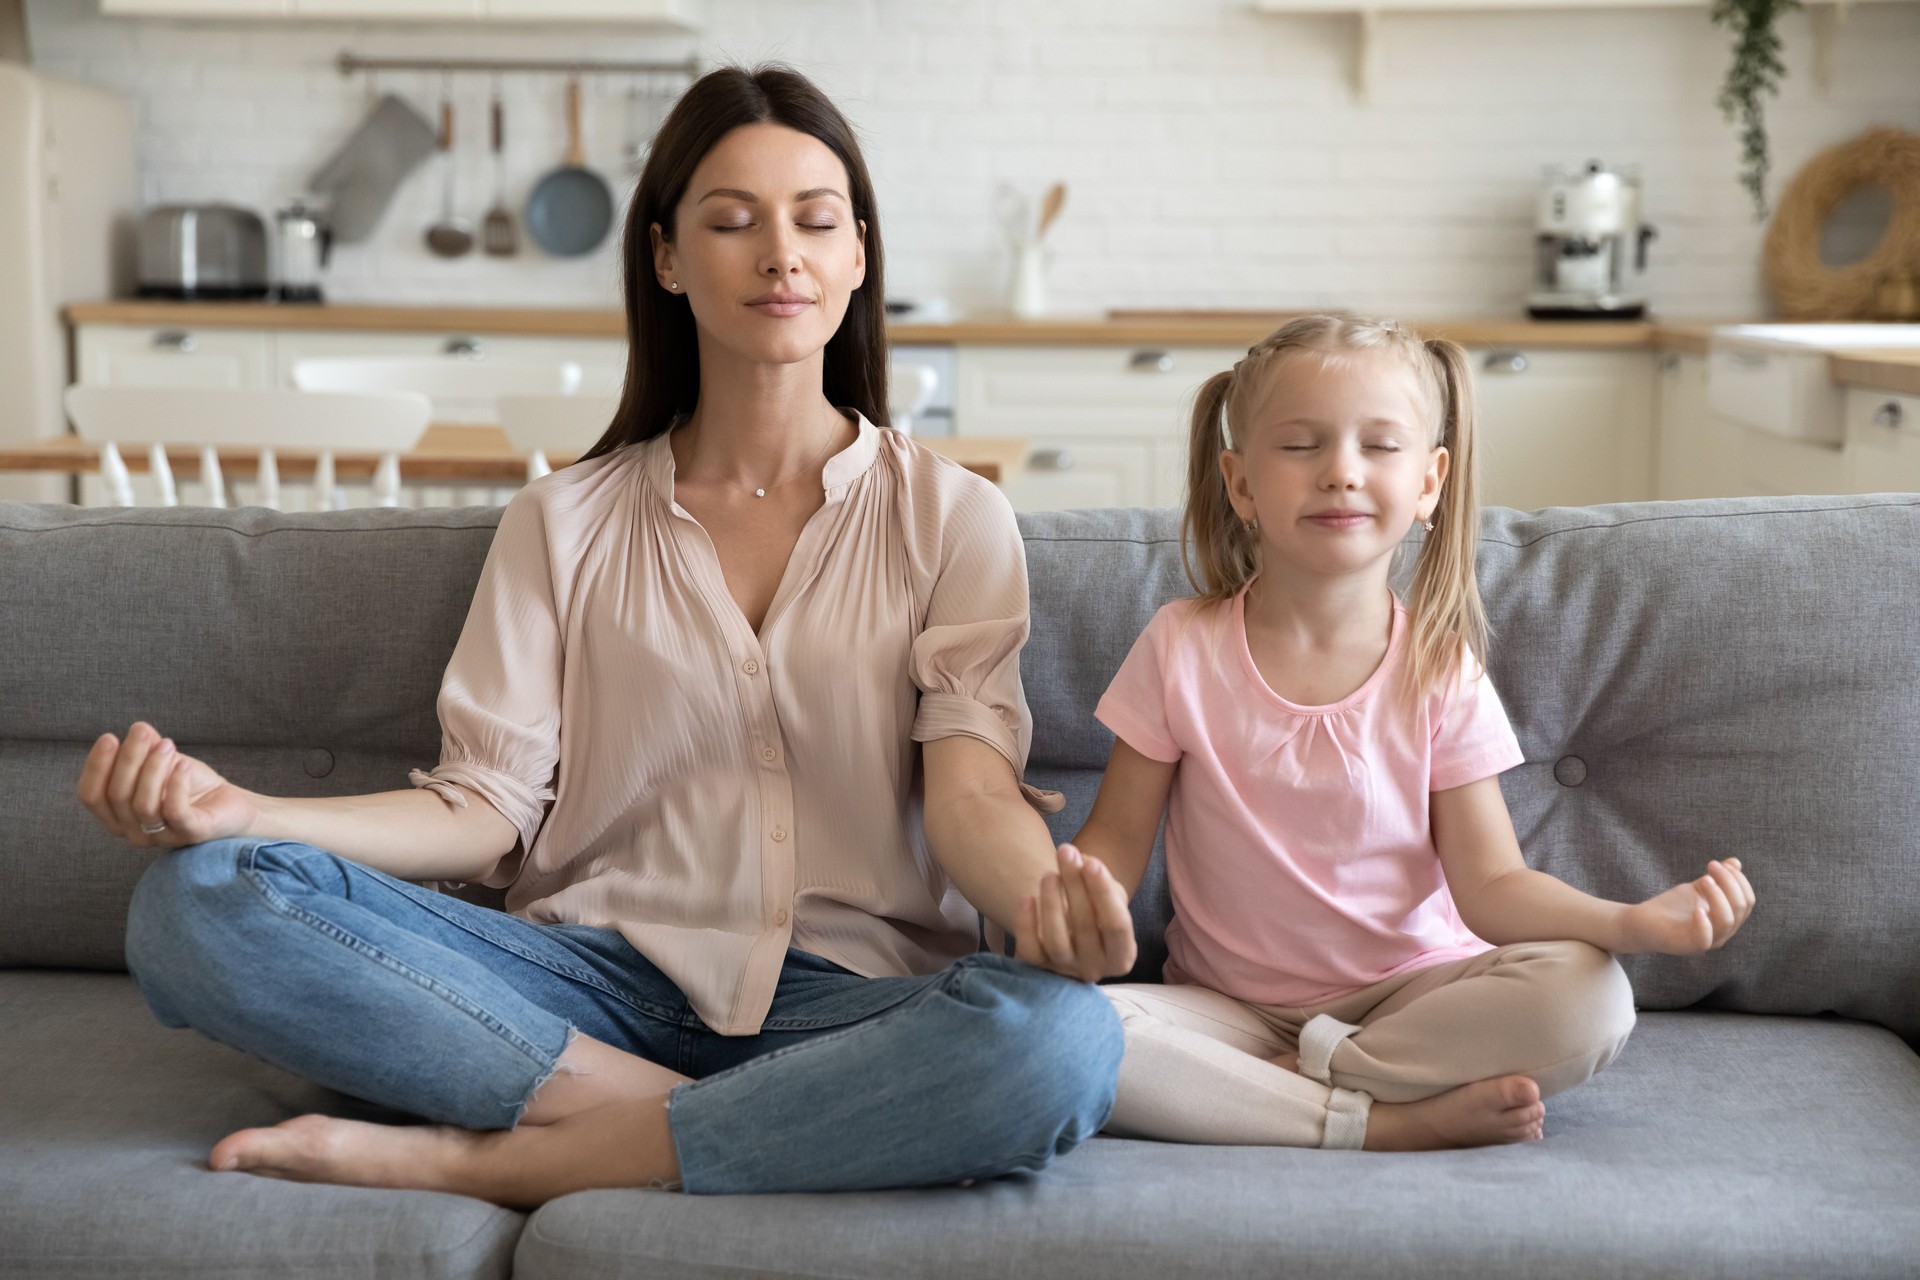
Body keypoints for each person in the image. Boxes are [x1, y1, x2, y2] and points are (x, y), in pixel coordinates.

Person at [74, 64, 1140, 1206]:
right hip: (578, 983)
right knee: (197, 899)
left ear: (859, 255)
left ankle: (504, 1155)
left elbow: (970, 796)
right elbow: (483, 806)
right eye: (732, 222)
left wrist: (1046, 903)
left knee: (1062, 1041)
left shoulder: (953, 516)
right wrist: (242, 812)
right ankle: (698, 1122)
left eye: (816, 221)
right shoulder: (563, 518)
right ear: (669, 258)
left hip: (849, 998)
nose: (782, 252)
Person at [1060, 315, 1757, 1152]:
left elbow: (1493, 886)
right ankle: (1374, 1119)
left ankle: (1286, 1091)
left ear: (1429, 483)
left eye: (1379, 447)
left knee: (1590, 995)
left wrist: (1634, 923)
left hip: (1416, 1000)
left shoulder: (1439, 667)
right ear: (1240, 484)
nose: (1341, 473)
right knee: (1080, 1028)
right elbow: (1112, 846)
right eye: (1300, 446)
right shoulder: (1179, 645)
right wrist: (1057, 900)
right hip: (1229, 1011)